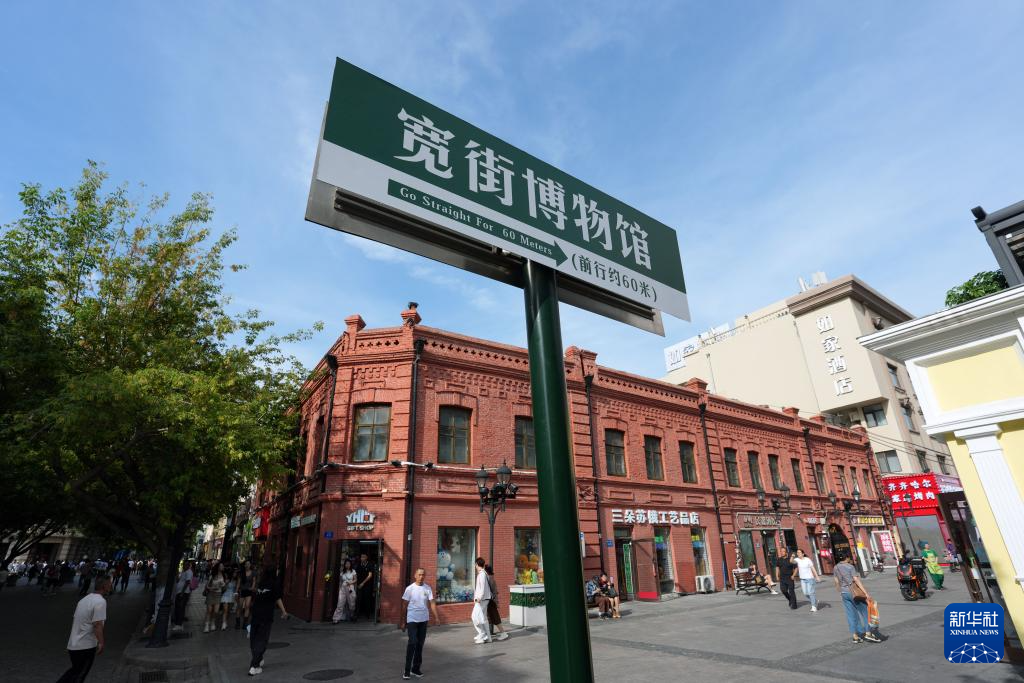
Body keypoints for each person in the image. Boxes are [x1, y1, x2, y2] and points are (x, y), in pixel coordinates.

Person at [57, 575, 112, 682]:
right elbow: (97, 625)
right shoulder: (100, 602)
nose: (111, 586)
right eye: (110, 584)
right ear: (104, 586)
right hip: (85, 645)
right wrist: (101, 642)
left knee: (75, 671)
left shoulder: (85, 599)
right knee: (79, 675)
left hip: (74, 644)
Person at [399, 567, 441, 679]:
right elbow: (404, 605)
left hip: (423, 620)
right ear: (415, 575)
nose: (421, 576)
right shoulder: (410, 589)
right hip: (412, 619)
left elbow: (432, 603)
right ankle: (407, 670)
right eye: (419, 574)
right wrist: (402, 621)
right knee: (412, 642)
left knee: (420, 645)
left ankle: (416, 669)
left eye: (423, 575)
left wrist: (436, 617)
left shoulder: (427, 588)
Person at [248, 567, 288, 676]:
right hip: (266, 616)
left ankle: (258, 659)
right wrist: (284, 611)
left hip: (256, 614)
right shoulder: (274, 584)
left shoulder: (261, 583)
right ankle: (254, 665)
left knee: (254, 638)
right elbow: (278, 598)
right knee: (262, 640)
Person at [834, 554, 880, 643]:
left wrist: (840, 592)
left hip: (844, 593)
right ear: (846, 558)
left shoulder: (835, 567)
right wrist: (865, 592)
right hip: (854, 593)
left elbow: (836, 581)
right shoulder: (850, 567)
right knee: (865, 611)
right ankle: (868, 633)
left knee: (851, 614)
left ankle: (855, 636)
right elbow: (856, 580)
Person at [484, 565, 510, 640]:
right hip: (490, 601)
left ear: (486, 571)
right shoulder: (489, 578)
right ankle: (488, 634)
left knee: (494, 617)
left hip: (491, 601)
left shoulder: (489, 578)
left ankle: (503, 633)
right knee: (491, 617)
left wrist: (496, 602)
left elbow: (493, 592)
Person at [471, 557, 492, 644]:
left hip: (481, 600)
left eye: (475, 564)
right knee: (483, 618)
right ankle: (488, 637)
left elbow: (482, 587)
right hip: (484, 599)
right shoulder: (484, 573)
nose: (475, 566)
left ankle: (482, 634)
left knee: (474, 617)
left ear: (476, 564)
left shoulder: (482, 574)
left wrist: (479, 598)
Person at [332, 559, 357, 624]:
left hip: (350, 587)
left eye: (348, 564)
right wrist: (339, 589)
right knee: (340, 603)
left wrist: (350, 582)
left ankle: (352, 615)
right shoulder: (342, 572)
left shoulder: (353, 571)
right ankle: (336, 619)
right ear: (344, 565)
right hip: (343, 588)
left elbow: (355, 580)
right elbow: (340, 581)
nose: (347, 565)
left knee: (352, 603)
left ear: (350, 564)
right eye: (346, 564)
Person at [204, 562, 226, 633]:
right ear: (218, 567)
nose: (222, 567)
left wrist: (223, 585)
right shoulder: (212, 575)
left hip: (218, 594)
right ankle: (207, 625)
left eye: (223, 566)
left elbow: (224, 588)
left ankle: (213, 622)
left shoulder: (224, 576)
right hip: (211, 594)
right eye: (221, 566)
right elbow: (207, 586)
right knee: (209, 610)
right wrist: (212, 588)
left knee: (216, 611)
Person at [171, 561, 193, 631]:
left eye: (185, 565)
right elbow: (179, 580)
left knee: (180, 608)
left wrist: (182, 592)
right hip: (179, 592)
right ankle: (178, 623)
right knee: (178, 608)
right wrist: (177, 574)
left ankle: (179, 624)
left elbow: (187, 582)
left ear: (188, 565)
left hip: (183, 593)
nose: (184, 566)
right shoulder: (184, 571)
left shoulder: (189, 572)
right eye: (183, 564)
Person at [354, 553, 376, 622]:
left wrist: (363, 583)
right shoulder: (358, 565)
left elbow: (370, 575)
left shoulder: (370, 565)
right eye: (361, 557)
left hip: (367, 585)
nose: (362, 558)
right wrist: (356, 584)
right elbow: (355, 574)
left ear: (366, 558)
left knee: (367, 599)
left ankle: (368, 615)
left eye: (364, 557)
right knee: (358, 599)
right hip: (359, 585)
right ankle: (356, 615)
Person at [237, 561, 256, 629]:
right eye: (246, 564)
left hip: (248, 591)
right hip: (242, 590)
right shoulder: (241, 573)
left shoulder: (253, 572)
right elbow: (238, 582)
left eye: (248, 564)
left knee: (247, 606)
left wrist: (252, 587)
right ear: (244, 565)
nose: (247, 565)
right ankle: (237, 623)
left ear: (250, 565)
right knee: (240, 606)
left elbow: (254, 581)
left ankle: (245, 623)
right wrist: (236, 591)